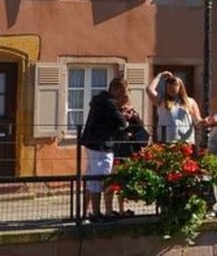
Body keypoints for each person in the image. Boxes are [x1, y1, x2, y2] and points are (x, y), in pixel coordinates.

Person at [79, 77, 133, 223]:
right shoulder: (109, 103)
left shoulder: (100, 100)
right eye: (122, 92)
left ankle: (89, 213)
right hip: (101, 145)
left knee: (92, 178)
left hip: (92, 143)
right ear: (115, 89)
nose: (123, 96)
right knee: (99, 178)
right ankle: (96, 214)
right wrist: (124, 114)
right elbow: (121, 124)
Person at [146, 71, 202, 145]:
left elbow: (197, 120)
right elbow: (149, 90)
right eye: (168, 87)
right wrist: (159, 76)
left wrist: (203, 122)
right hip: (166, 140)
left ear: (180, 87)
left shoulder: (190, 101)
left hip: (186, 141)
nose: (171, 89)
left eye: (174, 86)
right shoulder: (162, 101)